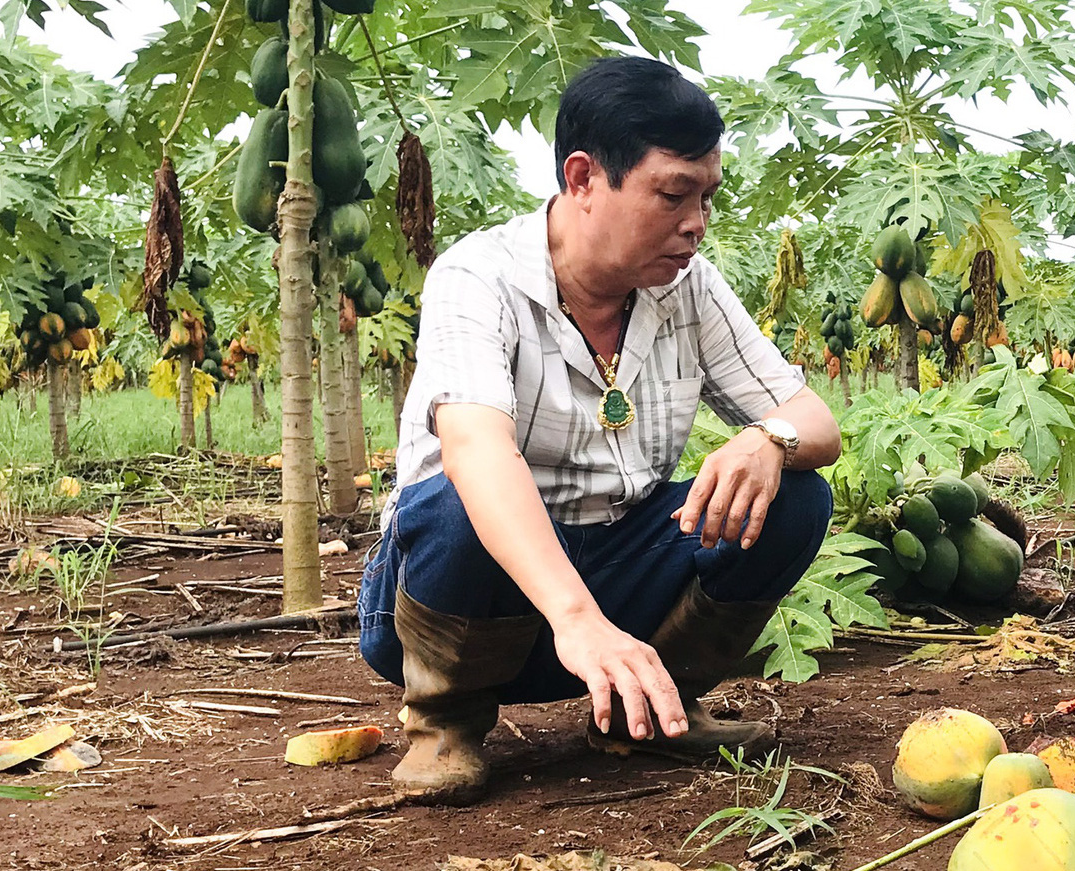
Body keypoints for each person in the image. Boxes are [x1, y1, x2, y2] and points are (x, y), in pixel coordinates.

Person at [358, 56, 840, 806]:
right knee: (458, 500)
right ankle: (444, 721)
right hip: (458, 612)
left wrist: (766, 439)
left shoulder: (688, 285)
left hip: (617, 587)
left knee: (797, 495)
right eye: (674, 195)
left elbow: (815, 421)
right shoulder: (479, 277)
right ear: (583, 179)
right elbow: (478, 449)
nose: (696, 224)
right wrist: (577, 619)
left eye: (707, 197)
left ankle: (651, 711)